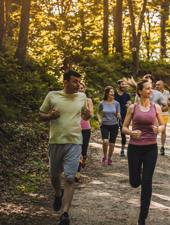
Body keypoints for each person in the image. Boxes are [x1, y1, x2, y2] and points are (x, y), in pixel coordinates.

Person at [38, 70, 91, 225]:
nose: (78, 85)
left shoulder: (82, 97)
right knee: (54, 177)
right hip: (55, 142)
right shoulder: (52, 95)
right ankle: (57, 193)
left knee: (69, 179)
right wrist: (51, 117)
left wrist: (87, 115)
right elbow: (40, 115)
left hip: (75, 142)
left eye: (79, 82)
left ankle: (65, 214)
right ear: (65, 82)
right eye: (75, 82)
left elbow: (84, 116)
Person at [122, 79, 165, 225]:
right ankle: (138, 174)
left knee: (147, 181)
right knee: (135, 183)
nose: (151, 91)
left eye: (151, 88)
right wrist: (132, 133)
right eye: (147, 88)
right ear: (140, 91)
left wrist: (159, 129)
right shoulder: (133, 108)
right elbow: (124, 128)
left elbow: (163, 125)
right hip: (134, 147)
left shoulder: (156, 107)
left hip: (151, 148)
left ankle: (142, 216)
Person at [97, 86, 121, 165]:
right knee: (105, 141)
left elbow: (118, 113)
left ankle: (110, 159)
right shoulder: (102, 103)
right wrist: (99, 119)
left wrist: (119, 115)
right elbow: (98, 113)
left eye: (113, 92)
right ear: (107, 93)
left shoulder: (116, 103)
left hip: (114, 125)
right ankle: (104, 156)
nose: (113, 93)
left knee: (112, 144)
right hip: (104, 125)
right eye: (111, 92)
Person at [75, 83, 94, 182]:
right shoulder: (72, 100)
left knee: (83, 150)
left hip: (86, 128)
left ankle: (85, 157)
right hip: (75, 128)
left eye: (82, 88)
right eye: (78, 88)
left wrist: (86, 110)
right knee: (77, 151)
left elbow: (92, 115)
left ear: (84, 90)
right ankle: (77, 173)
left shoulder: (88, 100)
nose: (80, 90)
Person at [114, 80, 131, 157]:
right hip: (113, 116)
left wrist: (129, 105)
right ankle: (111, 148)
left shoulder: (127, 95)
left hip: (124, 116)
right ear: (118, 85)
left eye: (125, 85)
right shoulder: (113, 94)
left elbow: (129, 103)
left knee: (123, 133)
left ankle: (122, 150)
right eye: (122, 84)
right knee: (113, 133)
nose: (124, 86)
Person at [155, 80, 170, 155]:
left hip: (164, 113)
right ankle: (153, 146)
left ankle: (162, 147)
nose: (157, 86)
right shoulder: (154, 92)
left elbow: (169, 101)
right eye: (156, 84)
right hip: (155, 114)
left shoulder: (167, 93)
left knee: (163, 130)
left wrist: (169, 103)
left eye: (158, 85)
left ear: (162, 86)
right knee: (154, 130)